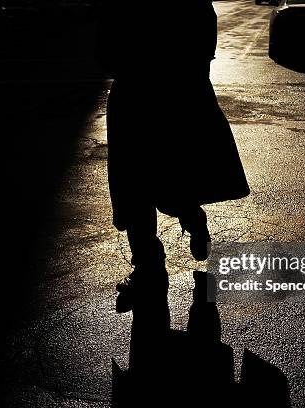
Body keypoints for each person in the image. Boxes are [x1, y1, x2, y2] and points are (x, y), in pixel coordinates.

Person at [95, 0, 250, 311]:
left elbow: (202, 40)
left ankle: (192, 217)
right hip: (137, 95)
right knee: (135, 186)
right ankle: (148, 266)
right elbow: (105, 40)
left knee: (167, 183)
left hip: (173, 95)